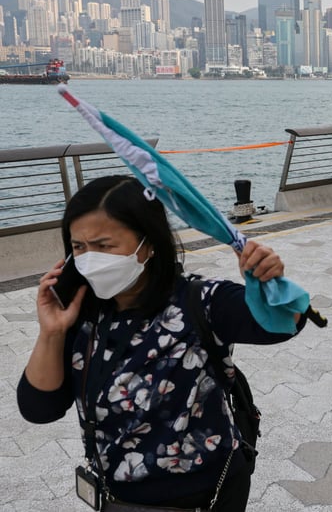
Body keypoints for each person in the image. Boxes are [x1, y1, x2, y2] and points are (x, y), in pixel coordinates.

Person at [18, 176, 306, 511]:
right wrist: (51, 331)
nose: (89, 260)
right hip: (117, 498)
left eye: (105, 246)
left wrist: (271, 285)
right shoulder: (83, 315)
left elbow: (283, 324)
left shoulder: (201, 302)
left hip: (205, 497)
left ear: (149, 243)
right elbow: (39, 409)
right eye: (79, 247)